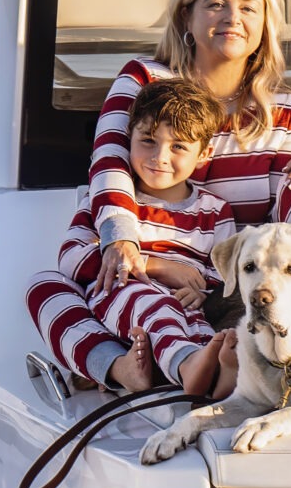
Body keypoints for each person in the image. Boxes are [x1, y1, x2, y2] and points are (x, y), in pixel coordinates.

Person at [27, 0, 291, 391]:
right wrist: (125, 242)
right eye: (215, 3)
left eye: (248, 8)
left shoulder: (288, 110)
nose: (232, 18)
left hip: (221, 289)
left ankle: (202, 368)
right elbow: (108, 159)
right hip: (129, 271)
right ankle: (117, 364)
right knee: (46, 286)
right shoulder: (144, 80)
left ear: (264, 26)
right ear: (187, 15)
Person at [59, 78, 238, 397]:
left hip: (184, 312)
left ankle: (212, 375)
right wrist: (153, 266)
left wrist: (203, 291)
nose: (160, 157)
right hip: (118, 297)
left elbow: (223, 270)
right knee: (45, 287)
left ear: (203, 154)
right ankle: (180, 367)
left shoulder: (214, 209)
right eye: (148, 141)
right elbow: (71, 258)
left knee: (200, 326)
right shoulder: (113, 200)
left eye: (179, 146)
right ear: (129, 138)